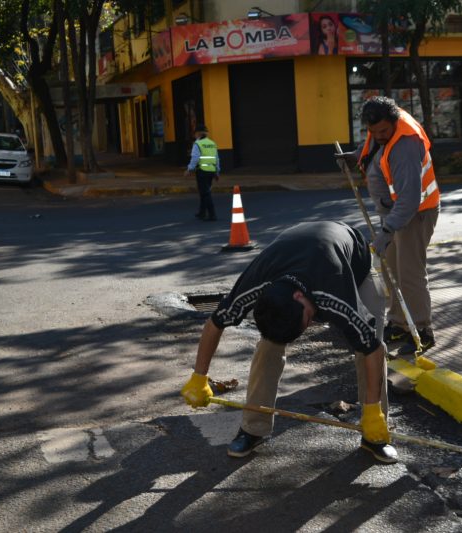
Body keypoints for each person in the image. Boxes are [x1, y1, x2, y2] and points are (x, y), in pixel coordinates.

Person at [180, 221, 397, 463]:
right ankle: (253, 428)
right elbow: (215, 323)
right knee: (268, 344)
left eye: (306, 321)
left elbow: (373, 351)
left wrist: (371, 409)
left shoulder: (336, 296)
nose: (309, 326)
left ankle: (376, 431)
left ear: (300, 297)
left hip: (355, 266)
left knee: (368, 343)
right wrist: (199, 377)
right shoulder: (256, 282)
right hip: (294, 251)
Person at [337, 96, 440, 356]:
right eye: (373, 131)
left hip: (415, 214)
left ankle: (422, 330)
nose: (378, 135)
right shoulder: (382, 129)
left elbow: (409, 200)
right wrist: (357, 155)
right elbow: (375, 145)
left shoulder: (405, 147)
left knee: (409, 273)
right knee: (390, 268)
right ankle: (399, 323)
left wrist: (387, 230)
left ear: (393, 123)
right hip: (394, 212)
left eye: (383, 131)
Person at [184, 124, 219, 221]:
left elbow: (195, 158)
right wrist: (217, 172)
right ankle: (202, 212)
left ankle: (212, 214)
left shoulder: (197, 144)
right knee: (204, 192)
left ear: (197, 134)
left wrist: (189, 169)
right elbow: (216, 158)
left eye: (195, 134)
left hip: (202, 171)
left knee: (205, 193)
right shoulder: (212, 143)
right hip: (211, 171)